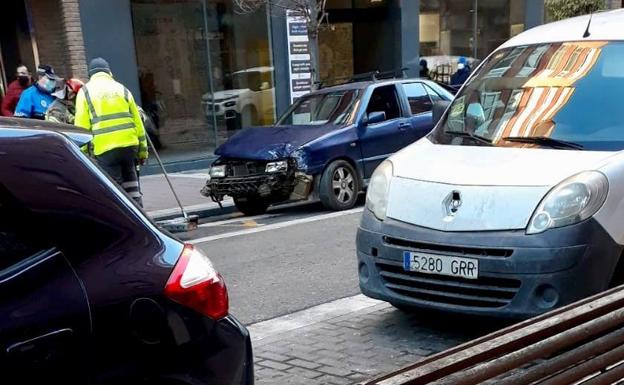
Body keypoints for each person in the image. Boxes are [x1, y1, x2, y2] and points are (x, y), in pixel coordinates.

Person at [74, 58, 148, 206]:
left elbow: (81, 126)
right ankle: (140, 216)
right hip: (129, 146)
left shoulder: (85, 92)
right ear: (109, 72)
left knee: (114, 189)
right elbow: (138, 123)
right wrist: (142, 152)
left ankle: (121, 218)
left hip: (105, 148)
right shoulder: (122, 89)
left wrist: (81, 152)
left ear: (90, 74)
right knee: (131, 183)